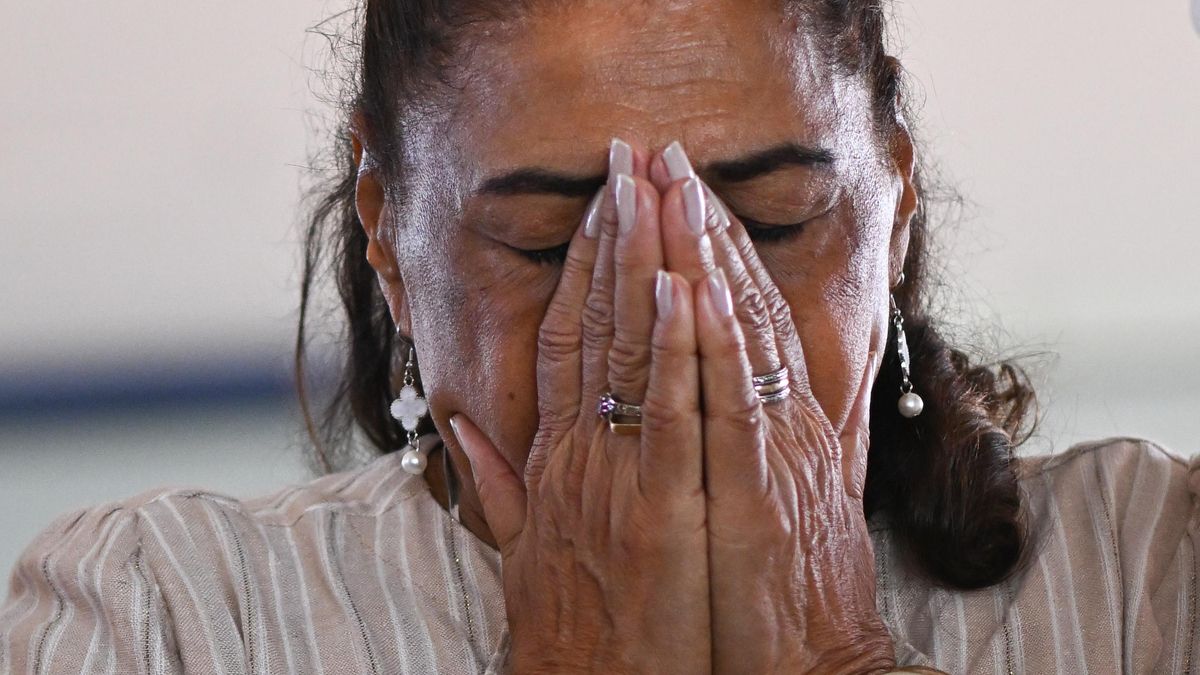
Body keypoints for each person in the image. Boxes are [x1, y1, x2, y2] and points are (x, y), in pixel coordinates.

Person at [2, 1, 1196, 673]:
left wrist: (835, 657)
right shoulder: (158, 616)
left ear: (895, 202)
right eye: (543, 242)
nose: (678, 311)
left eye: (774, 225)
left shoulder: (1155, 575)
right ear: (387, 235)